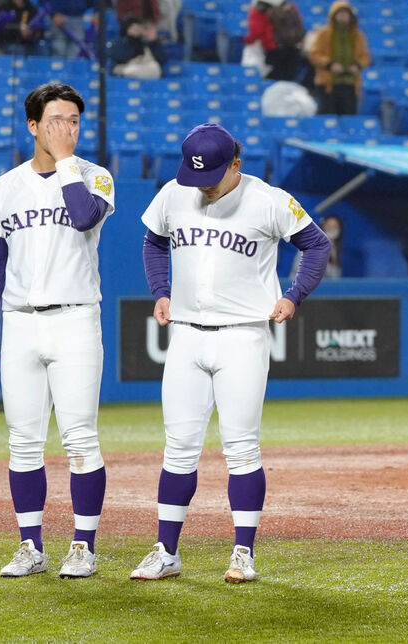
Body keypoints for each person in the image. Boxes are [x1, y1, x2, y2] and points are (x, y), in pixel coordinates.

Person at [130, 123, 331, 583]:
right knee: (178, 448)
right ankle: (166, 550)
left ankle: (243, 552)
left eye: (213, 173)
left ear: (236, 164)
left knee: (241, 449)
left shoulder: (269, 199)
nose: (201, 182)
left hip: (243, 335)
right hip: (185, 334)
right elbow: (153, 240)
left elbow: (317, 244)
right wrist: (160, 290)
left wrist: (295, 294)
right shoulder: (173, 193)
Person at [0, 83, 113, 579]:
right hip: (21, 323)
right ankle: (31, 545)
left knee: (79, 440)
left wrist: (67, 160)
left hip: (74, 319)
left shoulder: (96, 177)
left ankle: (83, 546)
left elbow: (82, 216)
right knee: (23, 442)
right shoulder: (4, 187)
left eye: (74, 120)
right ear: (33, 126)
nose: (66, 128)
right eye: (55, 120)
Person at [308, 0, 371, 116]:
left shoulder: (358, 36)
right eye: (340, 14)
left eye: (345, 14)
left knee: (349, 116)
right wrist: (329, 64)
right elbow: (315, 54)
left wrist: (357, 65)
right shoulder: (324, 34)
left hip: (350, 84)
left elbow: (365, 56)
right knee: (327, 116)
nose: (343, 17)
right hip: (328, 83)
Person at [244, 0, 304, 81]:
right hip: (293, 49)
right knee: (287, 82)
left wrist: (246, 41)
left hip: (273, 49)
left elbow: (256, 31)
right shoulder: (289, 6)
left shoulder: (259, 9)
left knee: (271, 83)